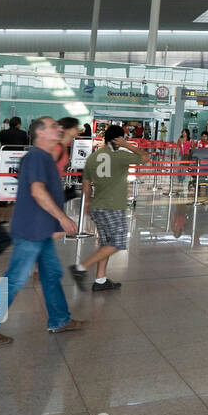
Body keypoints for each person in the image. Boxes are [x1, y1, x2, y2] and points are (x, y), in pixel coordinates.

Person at [0, 117, 86, 345]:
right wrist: (62, 218)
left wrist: (54, 225)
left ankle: (60, 319)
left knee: (51, 275)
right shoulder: (36, 157)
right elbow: (38, 191)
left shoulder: (45, 158)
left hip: (41, 231)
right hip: (31, 231)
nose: (59, 129)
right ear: (41, 133)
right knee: (15, 280)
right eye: (53, 126)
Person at [72, 124, 148, 292]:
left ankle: (100, 280)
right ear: (118, 139)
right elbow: (145, 157)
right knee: (118, 242)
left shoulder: (93, 157)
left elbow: (85, 183)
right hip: (113, 206)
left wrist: (88, 202)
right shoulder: (121, 155)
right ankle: (81, 268)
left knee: (105, 243)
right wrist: (127, 145)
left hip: (97, 205)